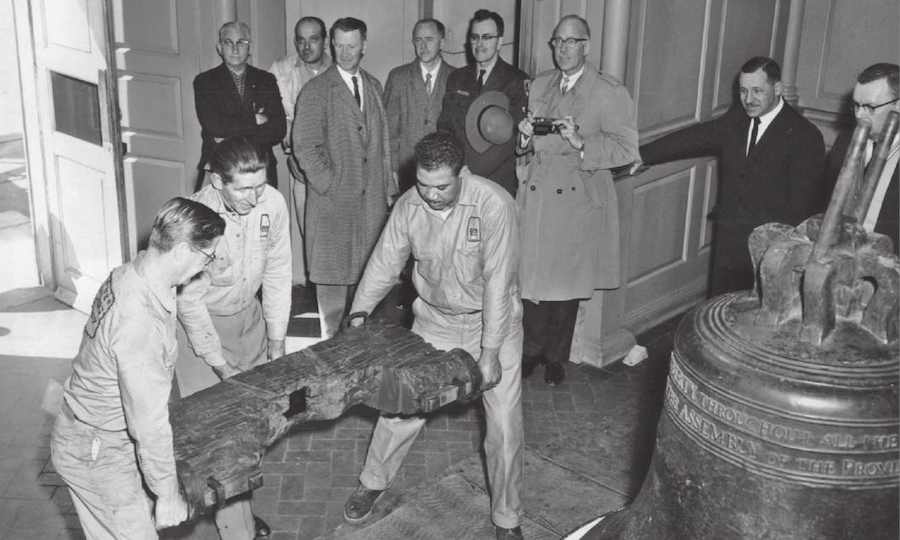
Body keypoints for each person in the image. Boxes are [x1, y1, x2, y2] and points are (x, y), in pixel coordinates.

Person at [342, 131, 525, 540]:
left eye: (441, 186)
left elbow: (498, 282)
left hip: (492, 323)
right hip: (435, 322)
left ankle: (507, 519)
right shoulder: (410, 205)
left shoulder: (495, 205)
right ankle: (373, 480)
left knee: (505, 425)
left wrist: (490, 352)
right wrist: (357, 314)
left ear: (462, 173)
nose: (431, 195)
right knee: (401, 406)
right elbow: (384, 262)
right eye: (423, 185)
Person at [51, 198, 225, 540]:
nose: (207, 267)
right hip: (97, 450)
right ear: (182, 251)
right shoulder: (139, 319)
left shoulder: (136, 273)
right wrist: (167, 493)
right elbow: (147, 422)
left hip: (100, 435)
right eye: (206, 257)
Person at [175, 136, 291, 540]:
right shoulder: (196, 216)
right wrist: (220, 365)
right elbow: (189, 304)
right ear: (217, 179)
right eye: (243, 188)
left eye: (259, 184)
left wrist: (276, 340)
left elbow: (278, 270)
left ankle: (237, 509)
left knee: (250, 428)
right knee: (219, 440)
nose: (254, 196)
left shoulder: (271, 203)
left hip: (250, 321)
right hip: (201, 331)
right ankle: (234, 525)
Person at [516, 15, 639, 386]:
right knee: (531, 279)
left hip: (575, 197)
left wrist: (581, 142)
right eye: (557, 42)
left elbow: (626, 149)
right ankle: (531, 351)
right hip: (537, 193)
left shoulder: (608, 92)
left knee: (564, 285)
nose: (563, 49)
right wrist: (522, 139)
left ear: (586, 46)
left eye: (571, 42)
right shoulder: (539, 84)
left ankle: (556, 357)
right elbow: (528, 143)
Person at [637, 56, 826, 296]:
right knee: (719, 310)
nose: (749, 99)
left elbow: (803, 210)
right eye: (743, 91)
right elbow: (692, 138)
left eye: (757, 91)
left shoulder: (804, 136)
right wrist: (642, 155)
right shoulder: (737, 118)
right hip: (728, 245)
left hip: (770, 253)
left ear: (777, 88)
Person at [294, 17, 396, 338]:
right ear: (331, 45)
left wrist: (387, 191)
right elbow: (305, 147)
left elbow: (382, 148)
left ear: (364, 45)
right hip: (332, 213)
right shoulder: (316, 91)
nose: (345, 52)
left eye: (352, 45)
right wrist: (331, 185)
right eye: (339, 45)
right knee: (334, 311)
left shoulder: (375, 86)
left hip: (370, 214)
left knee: (368, 304)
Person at [438, 9, 528, 198]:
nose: (479, 44)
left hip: (497, 183)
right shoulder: (456, 78)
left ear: (500, 42)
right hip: (459, 177)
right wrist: (457, 166)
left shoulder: (517, 80)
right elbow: (445, 126)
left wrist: (472, 172)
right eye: (475, 37)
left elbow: (513, 138)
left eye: (487, 37)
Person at [269, 16, 332, 286]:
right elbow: (269, 112)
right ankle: (317, 285)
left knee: (336, 231)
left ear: (325, 41)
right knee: (310, 229)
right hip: (301, 165)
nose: (307, 46)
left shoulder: (339, 66)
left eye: (313, 39)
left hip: (336, 165)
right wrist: (286, 126)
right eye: (301, 40)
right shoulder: (282, 70)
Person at [194, 21, 285, 189]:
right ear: (219, 48)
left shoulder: (266, 80)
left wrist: (227, 134)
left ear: (250, 48)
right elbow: (214, 126)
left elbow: (278, 130)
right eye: (228, 42)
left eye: (241, 43)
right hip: (218, 167)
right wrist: (256, 119)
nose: (235, 49)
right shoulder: (205, 82)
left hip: (260, 167)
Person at [825, 62, 898, 253]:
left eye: (870, 107)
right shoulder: (845, 141)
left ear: (898, 104)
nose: (860, 115)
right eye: (856, 105)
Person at [384, 18, 455, 193]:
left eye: (429, 39)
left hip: (444, 172)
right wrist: (391, 170)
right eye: (418, 40)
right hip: (408, 169)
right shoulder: (398, 77)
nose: (423, 46)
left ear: (442, 42)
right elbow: (389, 131)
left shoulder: (456, 78)